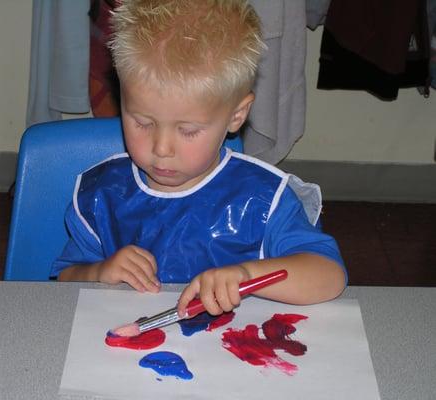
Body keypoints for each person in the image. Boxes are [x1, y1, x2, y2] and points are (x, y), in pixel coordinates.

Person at [51, 0, 347, 317]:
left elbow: (329, 274)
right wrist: (99, 273)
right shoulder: (103, 195)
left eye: (188, 130)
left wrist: (248, 275)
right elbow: (64, 278)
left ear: (237, 115)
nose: (162, 148)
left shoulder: (262, 200)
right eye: (142, 123)